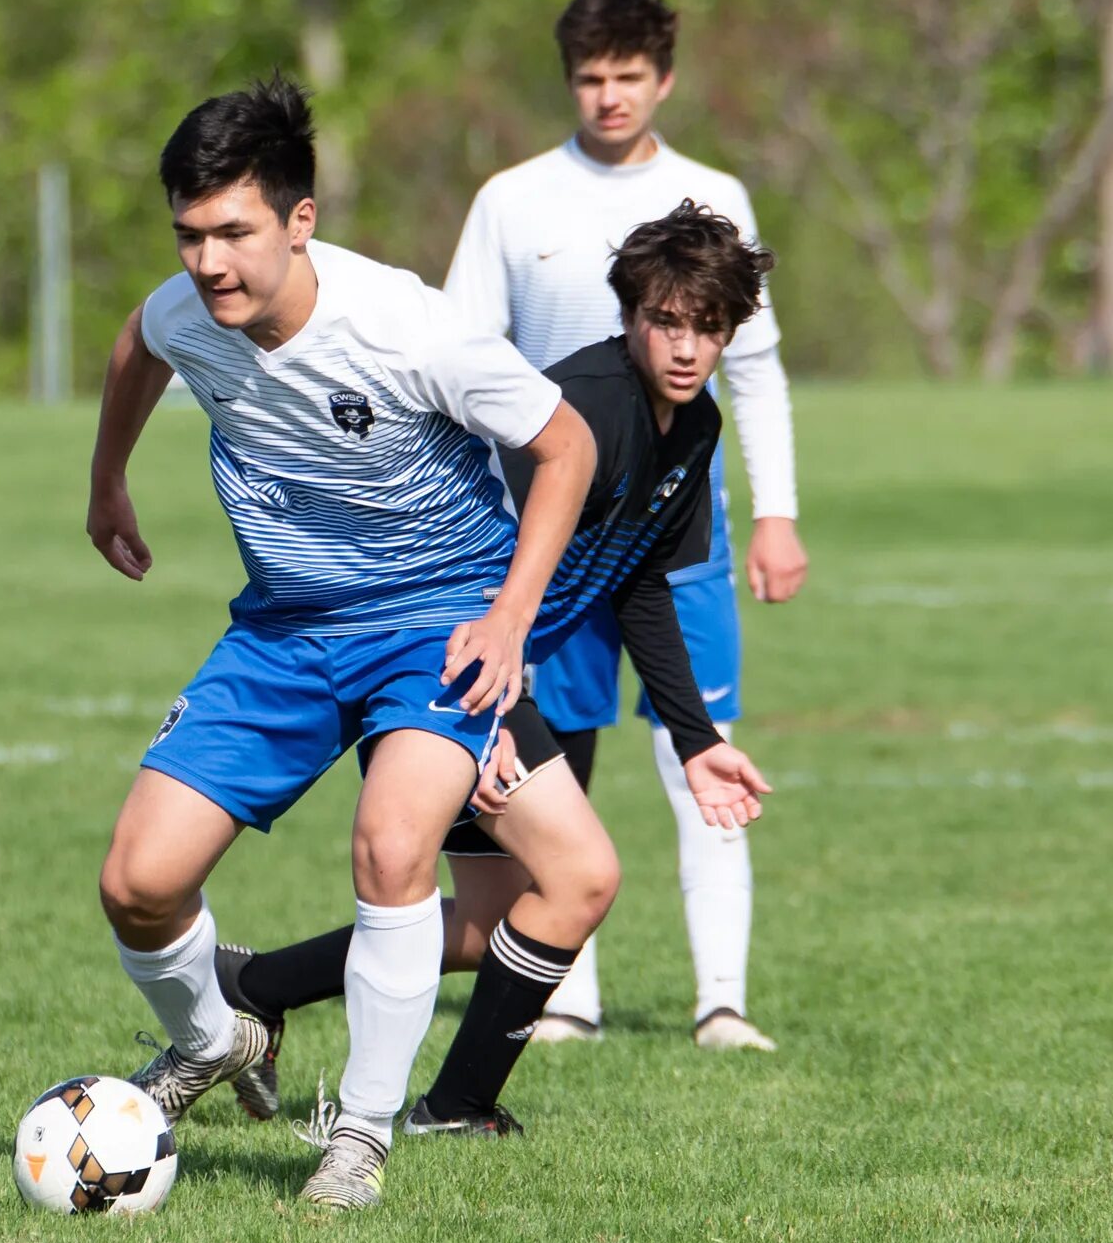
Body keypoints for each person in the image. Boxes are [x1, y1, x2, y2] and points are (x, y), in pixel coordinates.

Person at [85, 76, 595, 1209]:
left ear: (299, 220)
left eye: (234, 233)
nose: (209, 262)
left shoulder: (408, 328)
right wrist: (107, 476)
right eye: (188, 234)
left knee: (392, 843)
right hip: (281, 630)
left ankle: (360, 1136)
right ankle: (218, 1041)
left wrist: (509, 617)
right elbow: (137, 343)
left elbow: (566, 447)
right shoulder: (186, 311)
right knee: (138, 883)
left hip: (434, 622)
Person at [220, 205, 777, 1133]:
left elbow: (637, 584)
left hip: (484, 673)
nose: (687, 346)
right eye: (668, 321)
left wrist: (694, 740)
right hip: (442, 652)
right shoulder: (580, 411)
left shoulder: (693, 427)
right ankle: (453, 1103)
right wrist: (465, 728)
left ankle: (256, 983)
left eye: (709, 327)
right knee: (579, 881)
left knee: (490, 922)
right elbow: (469, 558)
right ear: (631, 314)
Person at [443, 0, 807, 1052]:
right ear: (568, 81)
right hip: (542, 522)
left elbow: (758, 368)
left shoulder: (717, 196)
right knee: (565, 744)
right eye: (590, 78)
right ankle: (567, 994)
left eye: (630, 77)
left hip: (674, 507)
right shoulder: (513, 198)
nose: (609, 97)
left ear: (666, 79)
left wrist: (778, 512)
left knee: (700, 734)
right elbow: (462, 360)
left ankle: (722, 1000)